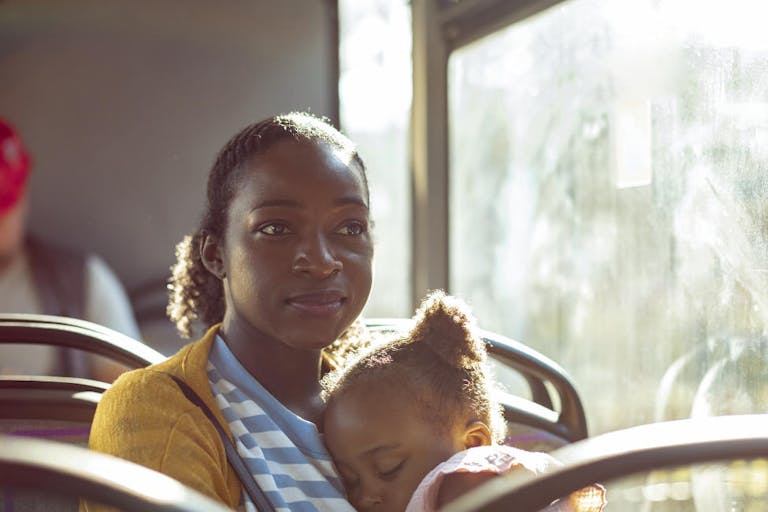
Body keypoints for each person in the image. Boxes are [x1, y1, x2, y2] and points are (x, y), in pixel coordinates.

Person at [86, 112, 374, 511]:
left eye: (350, 227)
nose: (323, 261)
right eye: (276, 228)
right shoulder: (153, 410)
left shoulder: (394, 403)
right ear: (215, 254)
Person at [321, 290, 606, 512]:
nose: (365, 497)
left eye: (389, 467)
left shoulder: (469, 476)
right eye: (350, 481)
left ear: (473, 444)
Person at [0, 117, 140, 380]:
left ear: (24, 193)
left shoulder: (84, 281)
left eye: (4, 200)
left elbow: (134, 400)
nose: (1, 219)